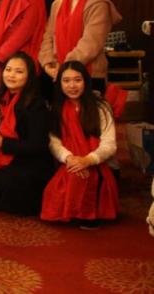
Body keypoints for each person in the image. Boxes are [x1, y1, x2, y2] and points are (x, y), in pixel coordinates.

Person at [41, 61, 118, 228]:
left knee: (83, 177)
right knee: (68, 180)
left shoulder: (101, 107)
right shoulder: (56, 108)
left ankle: (86, 213)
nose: (72, 86)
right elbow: (54, 141)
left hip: (99, 163)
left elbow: (109, 144)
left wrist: (88, 160)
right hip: (69, 161)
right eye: (66, 81)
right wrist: (69, 158)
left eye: (77, 80)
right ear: (60, 83)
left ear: (86, 81)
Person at [39, 0, 122, 92]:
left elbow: (91, 43)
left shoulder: (98, 3)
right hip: (57, 72)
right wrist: (48, 63)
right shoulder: (58, 2)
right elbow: (48, 35)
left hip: (88, 74)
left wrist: (65, 67)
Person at [0, 53, 53, 216]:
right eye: (8, 70)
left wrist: (3, 143)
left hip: (30, 160)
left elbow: (38, 145)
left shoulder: (35, 104)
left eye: (19, 71)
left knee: (3, 181)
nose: (11, 75)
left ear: (29, 76)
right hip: (3, 154)